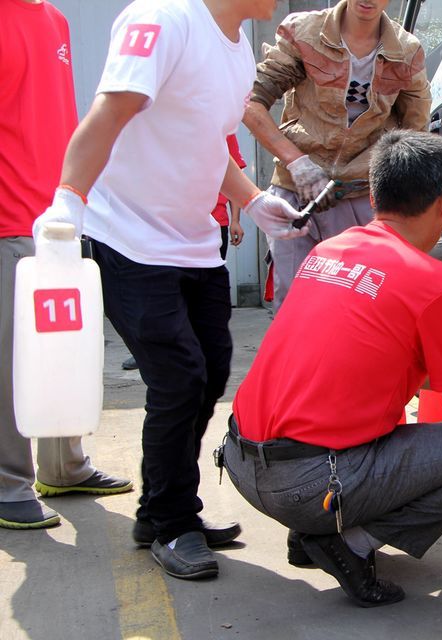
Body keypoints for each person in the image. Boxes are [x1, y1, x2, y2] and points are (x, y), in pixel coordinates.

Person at [32, 0, 306, 579]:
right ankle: (175, 522)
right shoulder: (161, 20)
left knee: (210, 370)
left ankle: (158, 510)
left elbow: (208, 145)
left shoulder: (235, 50)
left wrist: (251, 200)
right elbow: (108, 115)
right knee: (178, 376)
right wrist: (67, 201)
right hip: (127, 239)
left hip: (191, 241)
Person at [224, 131, 442, 607]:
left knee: (378, 427)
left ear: (373, 195)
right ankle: (347, 541)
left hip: (243, 463)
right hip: (304, 484)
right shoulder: (434, 281)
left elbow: (372, 356)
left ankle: (313, 531)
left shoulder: (332, 251)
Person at [0, 0, 132, 530]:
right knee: (13, 359)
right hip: (8, 216)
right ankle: (9, 483)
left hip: (55, 214)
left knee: (62, 348)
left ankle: (64, 464)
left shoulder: (53, 18)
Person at [243, 0, 432, 310]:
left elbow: (414, 133)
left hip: (360, 194)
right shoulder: (303, 32)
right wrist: (297, 161)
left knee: (358, 308)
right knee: (294, 306)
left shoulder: (407, 51)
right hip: (296, 192)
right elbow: (250, 103)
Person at [121, 133, 246, 372]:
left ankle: (196, 349)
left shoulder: (220, 124)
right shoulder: (158, 122)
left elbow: (235, 172)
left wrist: (236, 220)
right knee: (163, 291)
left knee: (201, 293)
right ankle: (154, 350)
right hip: (169, 224)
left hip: (213, 222)